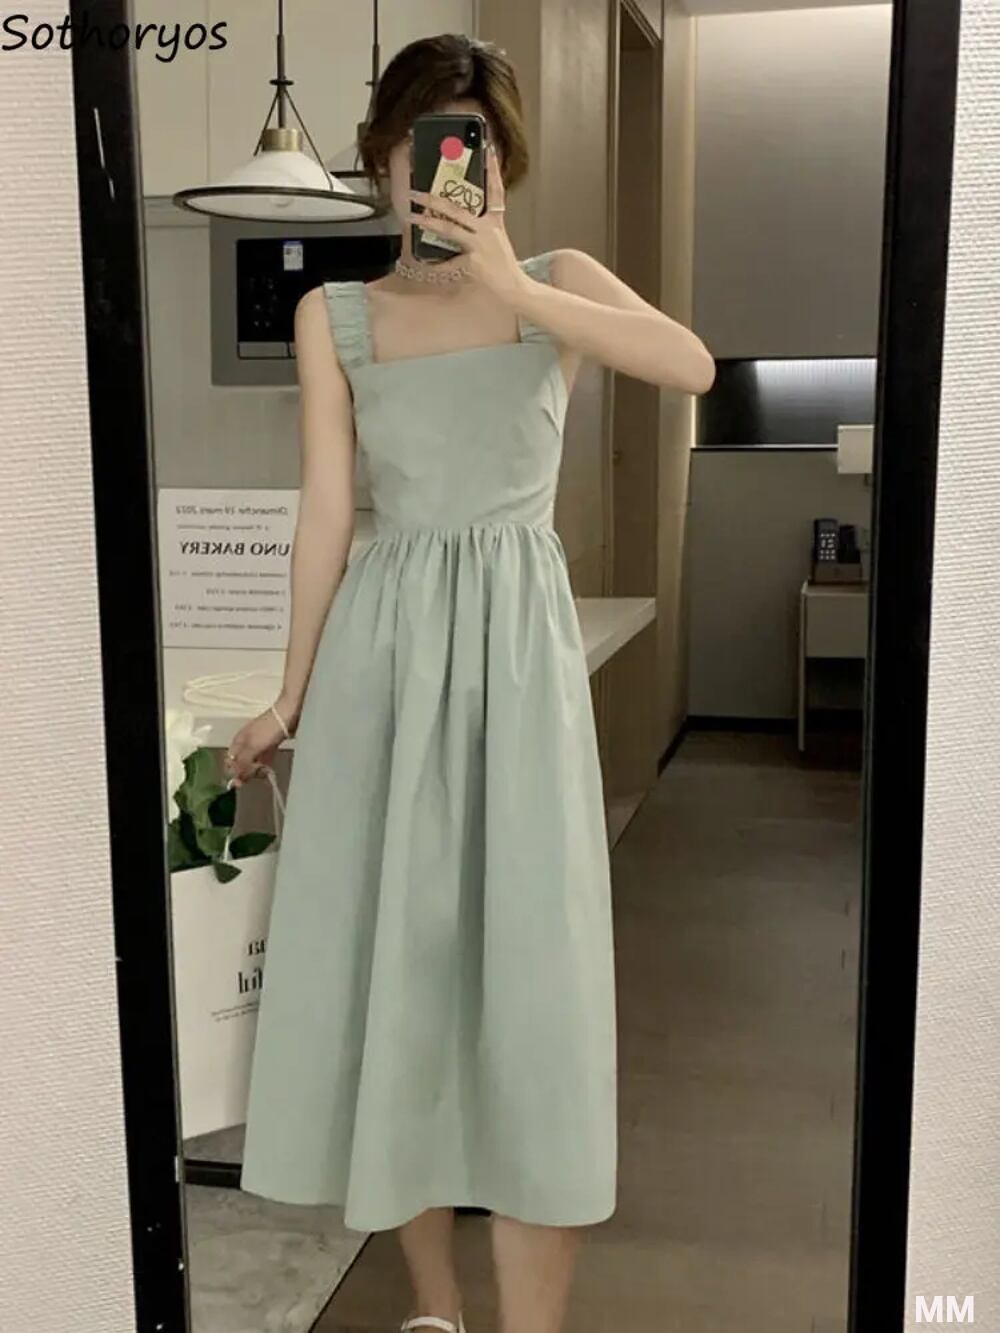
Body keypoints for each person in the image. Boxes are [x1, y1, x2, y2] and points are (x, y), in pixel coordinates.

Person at [228, 32, 714, 1333]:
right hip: (385, 667)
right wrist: (289, 694)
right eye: (424, 146)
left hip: (515, 662)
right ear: (384, 160)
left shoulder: (559, 285)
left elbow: (689, 365)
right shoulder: (334, 318)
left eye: (474, 149)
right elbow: (326, 515)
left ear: (503, 165)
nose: (446, 172)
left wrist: (513, 284)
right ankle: (435, 1310)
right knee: (403, 984)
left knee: (535, 1001)